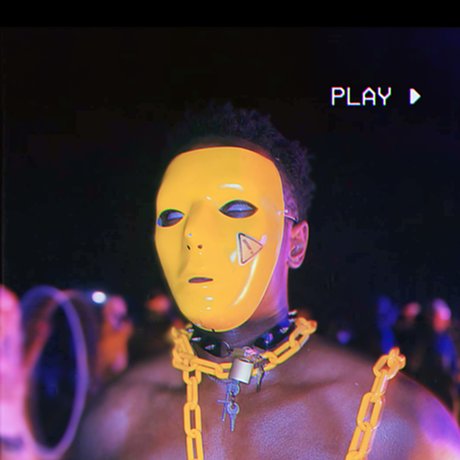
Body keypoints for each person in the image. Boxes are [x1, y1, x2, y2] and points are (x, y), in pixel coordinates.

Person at [70, 103, 460, 459]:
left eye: (236, 208)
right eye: (171, 217)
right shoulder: (115, 418)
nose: (193, 234)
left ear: (296, 244)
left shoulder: (402, 423)